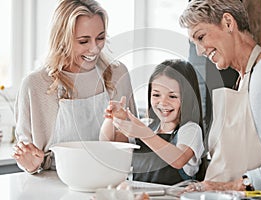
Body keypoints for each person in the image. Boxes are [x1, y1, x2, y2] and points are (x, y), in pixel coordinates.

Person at [179, 0, 261, 193]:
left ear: (228, 23)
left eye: (201, 37)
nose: (200, 51)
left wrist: (242, 184)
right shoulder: (241, 81)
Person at [12, 0, 136, 174]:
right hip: (54, 187)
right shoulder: (35, 85)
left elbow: (131, 143)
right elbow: (27, 158)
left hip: (109, 183)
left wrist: (122, 130)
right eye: (84, 41)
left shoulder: (117, 74)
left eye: (100, 38)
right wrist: (32, 163)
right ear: (62, 39)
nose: (94, 49)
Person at [100, 59, 205, 185]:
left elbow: (179, 160)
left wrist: (144, 134)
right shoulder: (146, 125)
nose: (163, 102)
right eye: (156, 95)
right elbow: (107, 141)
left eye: (172, 96)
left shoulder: (190, 130)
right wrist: (112, 117)